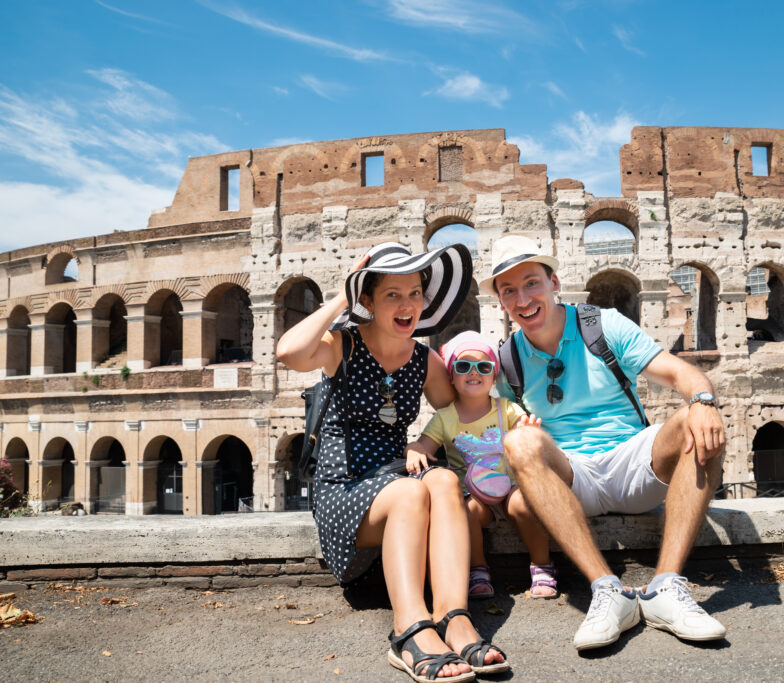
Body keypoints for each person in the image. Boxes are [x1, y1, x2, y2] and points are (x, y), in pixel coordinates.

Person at [479, 234, 728, 652]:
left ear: (554, 282)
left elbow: (679, 373)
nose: (523, 299)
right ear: (501, 302)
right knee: (520, 442)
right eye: (509, 291)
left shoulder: (601, 324)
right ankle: (607, 590)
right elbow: (455, 395)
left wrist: (703, 400)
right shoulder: (506, 359)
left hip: (633, 462)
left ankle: (666, 587)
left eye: (532, 283)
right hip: (574, 477)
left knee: (694, 419)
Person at [276, 242, 507, 682]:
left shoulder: (424, 360)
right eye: (392, 295)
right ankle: (409, 631)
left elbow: (459, 413)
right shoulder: (341, 345)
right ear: (368, 300)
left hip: (400, 480)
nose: (408, 305)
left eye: (416, 293)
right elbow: (289, 351)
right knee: (409, 491)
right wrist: (343, 296)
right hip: (345, 488)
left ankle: (454, 619)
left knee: (439, 482)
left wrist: (435, 442)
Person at [405, 331, 558, 601]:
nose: (473, 372)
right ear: (451, 374)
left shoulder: (506, 408)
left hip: (509, 486)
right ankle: (478, 568)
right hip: (473, 493)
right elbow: (424, 445)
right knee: (466, 511)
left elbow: (524, 431)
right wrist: (414, 450)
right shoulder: (445, 417)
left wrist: (528, 432)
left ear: (492, 376)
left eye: (483, 367)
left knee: (525, 503)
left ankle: (541, 564)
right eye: (463, 366)